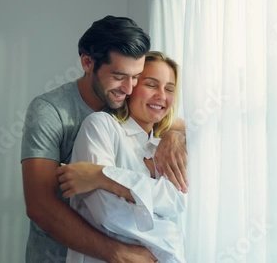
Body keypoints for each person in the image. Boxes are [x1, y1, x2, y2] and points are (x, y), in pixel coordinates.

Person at [21, 16, 187, 263]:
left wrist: (174, 135)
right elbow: (40, 205)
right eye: (120, 76)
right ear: (88, 62)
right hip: (56, 255)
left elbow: (169, 118)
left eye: (136, 77)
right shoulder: (51, 111)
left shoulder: (123, 103)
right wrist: (117, 253)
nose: (129, 88)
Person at [67, 51, 186, 263]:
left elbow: (176, 201)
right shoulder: (101, 126)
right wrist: (168, 234)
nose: (161, 95)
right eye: (151, 84)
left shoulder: (166, 148)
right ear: (131, 88)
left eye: (169, 89)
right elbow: (106, 212)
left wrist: (103, 176)